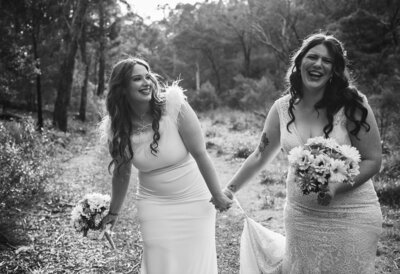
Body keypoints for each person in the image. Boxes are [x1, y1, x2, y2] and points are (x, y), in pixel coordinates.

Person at [221, 33, 383, 273]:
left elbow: (373, 160)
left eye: (326, 61)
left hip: (353, 216)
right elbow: (259, 155)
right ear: (299, 63)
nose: (318, 64)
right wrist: (228, 190)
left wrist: (336, 187)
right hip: (302, 218)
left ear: (334, 70)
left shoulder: (352, 104)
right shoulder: (282, 108)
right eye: (312, 57)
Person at [100, 57, 232, 274]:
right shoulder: (117, 127)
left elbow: (200, 154)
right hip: (154, 204)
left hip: (194, 200)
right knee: (159, 259)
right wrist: (113, 214)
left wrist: (217, 194)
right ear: (122, 88)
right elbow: (122, 174)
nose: (147, 82)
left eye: (147, 76)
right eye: (137, 79)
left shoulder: (174, 106)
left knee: (194, 261)